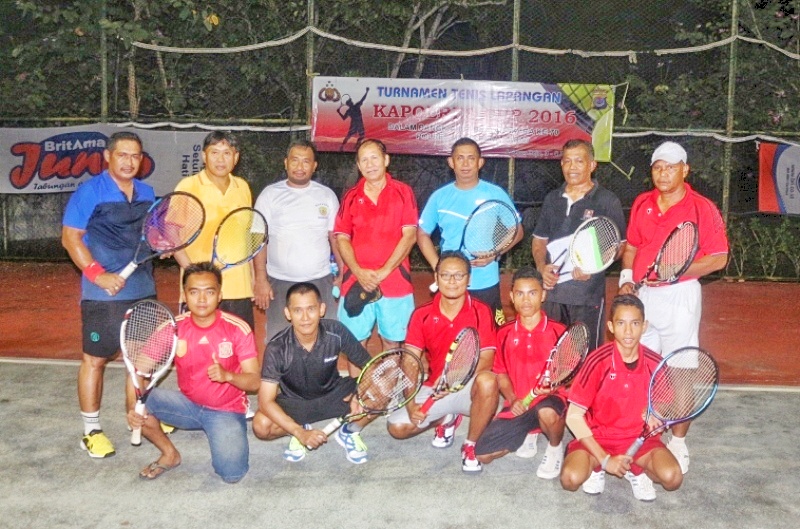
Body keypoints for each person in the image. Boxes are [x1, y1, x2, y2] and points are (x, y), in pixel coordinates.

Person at [618, 141, 728, 474]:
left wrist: (676, 271)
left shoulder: (702, 207)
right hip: (643, 297)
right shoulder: (642, 203)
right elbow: (633, 246)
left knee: (679, 372)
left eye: (670, 167)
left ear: (684, 169)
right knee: (639, 369)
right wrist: (626, 278)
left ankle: (678, 442)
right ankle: (637, 431)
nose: (663, 173)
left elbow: (719, 258)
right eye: (657, 167)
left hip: (681, 296)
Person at [62, 131, 157, 459]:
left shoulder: (147, 191)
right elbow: (70, 238)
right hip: (102, 295)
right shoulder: (89, 192)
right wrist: (98, 275)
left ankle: (139, 418)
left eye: (136, 156)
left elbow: (151, 235)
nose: (130, 162)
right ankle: (91, 431)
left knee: (142, 360)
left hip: (143, 288)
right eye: (123, 155)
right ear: (108, 156)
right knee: (96, 359)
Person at [126, 262, 260, 482]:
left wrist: (229, 376)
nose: (201, 299)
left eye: (209, 292)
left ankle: (225, 434)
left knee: (232, 474)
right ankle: (170, 454)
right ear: (184, 295)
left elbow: (255, 382)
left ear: (220, 295)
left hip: (226, 410)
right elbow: (137, 371)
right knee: (142, 402)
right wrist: (133, 407)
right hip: (187, 404)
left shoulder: (237, 328)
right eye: (194, 292)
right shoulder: (173, 328)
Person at [560, 294, 683, 501]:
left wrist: (656, 413)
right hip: (599, 438)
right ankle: (598, 466)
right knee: (570, 479)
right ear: (610, 326)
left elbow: (664, 403)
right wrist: (605, 459)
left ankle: (636, 469)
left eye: (635, 323)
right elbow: (573, 416)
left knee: (673, 478)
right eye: (621, 323)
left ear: (644, 326)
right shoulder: (597, 361)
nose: (628, 331)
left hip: (639, 440)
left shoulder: (656, 363)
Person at [386, 251, 499, 473]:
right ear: (436, 278)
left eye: (459, 276)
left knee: (488, 382)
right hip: (435, 388)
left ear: (469, 279)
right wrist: (410, 405)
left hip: (468, 388)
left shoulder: (481, 311)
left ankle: (471, 445)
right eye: (446, 275)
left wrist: (453, 378)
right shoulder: (421, 315)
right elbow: (410, 361)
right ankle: (446, 418)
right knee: (398, 428)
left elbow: (486, 359)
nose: (452, 281)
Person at [252, 282, 376, 464]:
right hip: (296, 404)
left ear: (321, 309)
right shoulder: (277, 347)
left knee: (383, 388)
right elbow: (264, 401)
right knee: (261, 426)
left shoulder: (336, 331)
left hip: (335, 396)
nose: (305, 318)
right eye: (297, 311)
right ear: (288, 313)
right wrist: (298, 431)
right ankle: (301, 427)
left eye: (311, 309)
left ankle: (350, 431)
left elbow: (372, 367)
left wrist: (360, 392)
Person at [473, 266, 568, 479]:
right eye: (520, 293)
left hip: (550, 401)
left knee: (547, 413)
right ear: (511, 297)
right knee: (483, 454)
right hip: (520, 404)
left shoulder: (559, 332)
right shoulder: (504, 333)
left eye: (532, 293)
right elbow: (501, 373)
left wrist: (555, 384)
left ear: (543, 295)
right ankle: (529, 430)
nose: (526, 300)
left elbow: (570, 374)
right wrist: (513, 398)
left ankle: (555, 447)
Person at [532, 139, 627, 351]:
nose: (572, 167)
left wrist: (592, 266)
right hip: (553, 294)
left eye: (579, 161)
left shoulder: (607, 201)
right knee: (551, 355)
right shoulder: (552, 199)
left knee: (584, 359)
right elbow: (539, 240)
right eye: (567, 161)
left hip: (586, 296)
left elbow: (620, 247)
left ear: (592, 165)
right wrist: (541, 267)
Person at [418, 137, 524, 325]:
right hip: (452, 282)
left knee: (491, 337)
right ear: (451, 162)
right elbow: (422, 234)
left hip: (486, 280)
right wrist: (438, 267)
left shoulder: (495, 193)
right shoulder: (439, 197)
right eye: (460, 158)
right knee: (452, 338)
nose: (465, 164)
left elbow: (517, 230)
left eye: (471, 158)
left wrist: (495, 253)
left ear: (480, 162)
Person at [253, 140, 342, 343]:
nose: (299, 167)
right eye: (295, 160)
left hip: (321, 280)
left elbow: (335, 238)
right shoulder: (269, 195)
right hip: (279, 281)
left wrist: (343, 273)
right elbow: (258, 238)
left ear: (314, 166)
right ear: (285, 163)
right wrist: (260, 279)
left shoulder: (326, 195)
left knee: (327, 341)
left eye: (306, 161)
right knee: (278, 343)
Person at [334, 138, 418, 351]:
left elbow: (409, 235)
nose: (370, 164)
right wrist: (358, 272)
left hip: (395, 281)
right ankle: (359, 386)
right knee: (354, 344)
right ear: (359, 166)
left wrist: (384, 271)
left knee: (392, 342)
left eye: (375, 158)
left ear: (386, 160)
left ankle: (389, 385)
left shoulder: (403, 192)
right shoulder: (350, 197)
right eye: (364, 160)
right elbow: (342, 237)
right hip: (356, 280)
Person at [174, 131, 257, 331]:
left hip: (239, 288)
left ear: (236, 157)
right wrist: (195, 274)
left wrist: (252, 278)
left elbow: (246, 236)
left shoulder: (243, 187)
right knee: (198, 353)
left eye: (227, 153)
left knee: (238, 354)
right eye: (214, 153)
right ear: (204, 156)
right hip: (201, 291)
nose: (221, 159)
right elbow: (172, 236)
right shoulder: (188, 186)